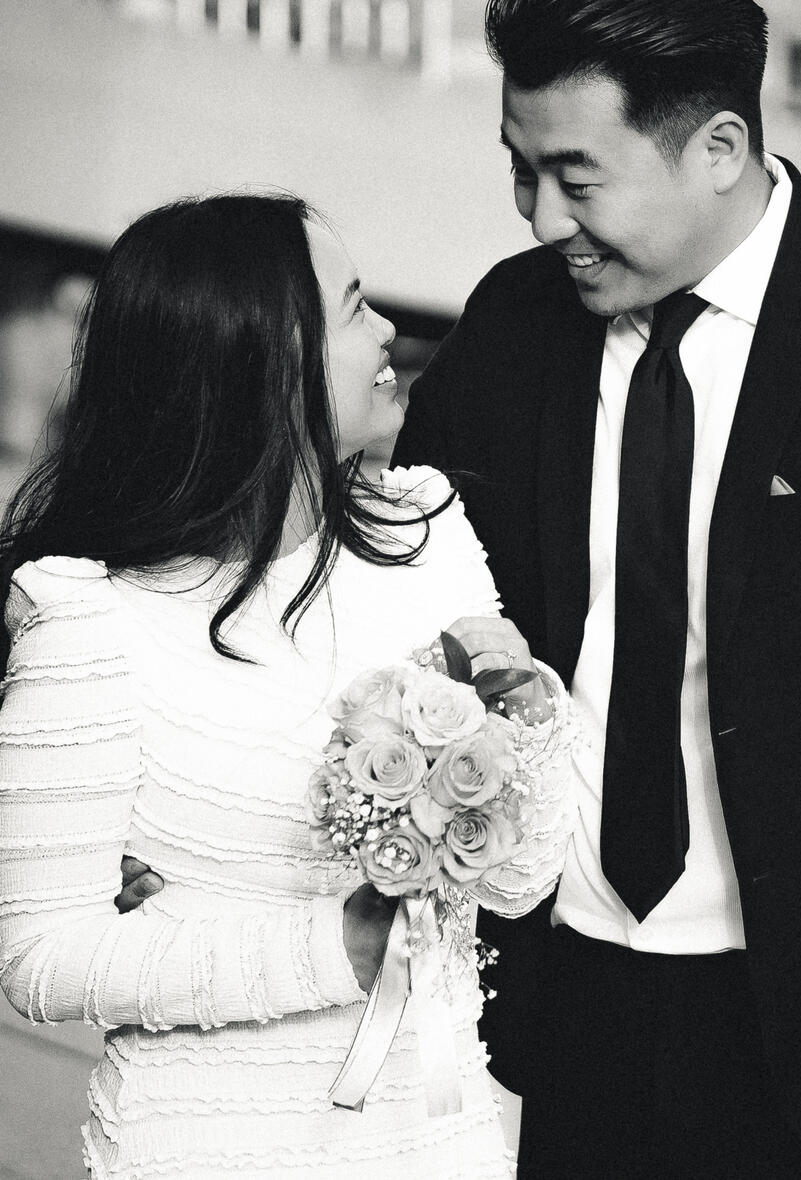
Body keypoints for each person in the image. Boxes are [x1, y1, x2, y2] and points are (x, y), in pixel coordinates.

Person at [391, 0, 801, 1179]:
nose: (541, 218)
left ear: (720, 147)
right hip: (564, 1002)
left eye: (577, 177)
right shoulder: (510, 323)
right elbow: (408, 611)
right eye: (519, 171)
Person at [0, 194, 573, 1180]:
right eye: (352, 307)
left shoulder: (427, 529)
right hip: (212, 1142)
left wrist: (526, 719)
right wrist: (332, 948)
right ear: (263, 362)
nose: (387, 330)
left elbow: (518, 888)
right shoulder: (92, 617)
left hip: (438, 1134)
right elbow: (40, 962)